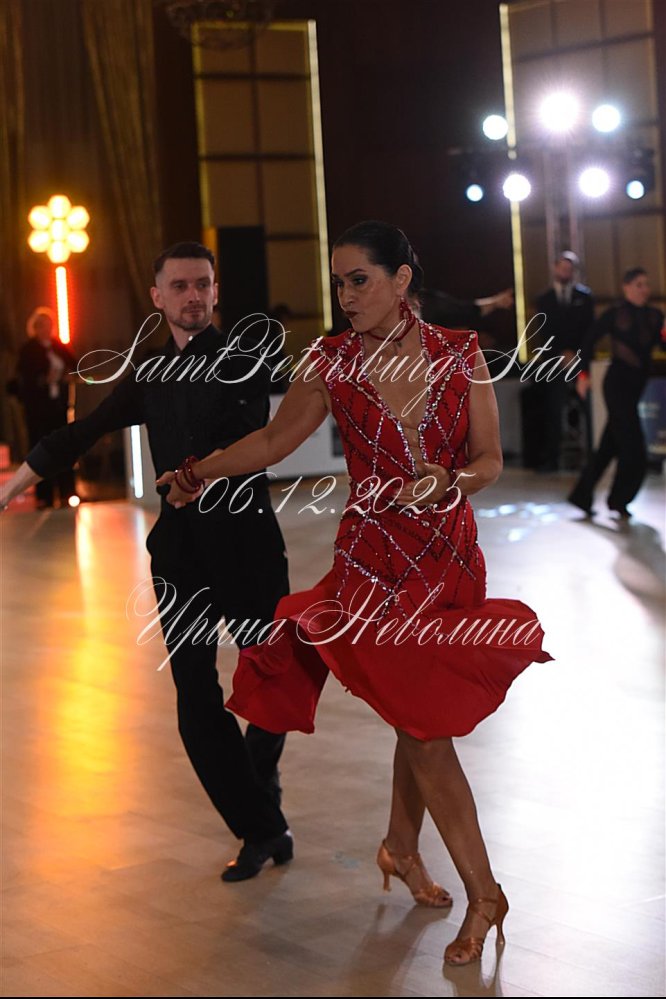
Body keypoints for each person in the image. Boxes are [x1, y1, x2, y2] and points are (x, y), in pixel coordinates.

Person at [158, 221, 552, 966]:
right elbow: (272, 442)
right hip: (372, 570)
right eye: (338, 282)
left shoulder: (460, 352)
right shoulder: (329, 361)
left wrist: (450, 481)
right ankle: (486, 893)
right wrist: (198, 471)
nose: (345, 295)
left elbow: (490, 459)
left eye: (359, 279)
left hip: (448, 563)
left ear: (402, 280)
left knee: (416, 716)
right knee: (425, 729)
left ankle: (401, 844)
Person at [0, 242, 293, 882]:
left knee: (274, 684)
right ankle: (262, 826)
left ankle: (261, 800)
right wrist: (10, 487)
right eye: (180, 286)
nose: (193, 296)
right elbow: (80, 434)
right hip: (182, 557)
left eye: (203, 284)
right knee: (195, 703)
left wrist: (195, 476)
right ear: (157, 297)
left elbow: (250, 438)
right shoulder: (151, 372)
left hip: (246, 548)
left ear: (215, 292)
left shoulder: (243, 361)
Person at [568, 267, 665, 518]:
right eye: (639, 284)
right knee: (635, 450)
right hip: (617, 386)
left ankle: (581, 496)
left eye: (646, 284)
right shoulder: (615, 314)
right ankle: (618, 500)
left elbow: (662, 344)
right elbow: (588, 342)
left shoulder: (655, 316)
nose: (644, 289)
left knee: (608, 447)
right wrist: (583, 375)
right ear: (626, 287)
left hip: (636, 388)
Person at [531, 252, 595, 472]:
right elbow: (542, 330)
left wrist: (576, 354)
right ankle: (552, 458)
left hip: (579, 360)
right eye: (562, 268)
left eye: (569, 269)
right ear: (555, 269)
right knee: (553, 408)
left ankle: (592, 455)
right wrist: (559, 353)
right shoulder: (544, 299)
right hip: (554, 362)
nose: (566, 272)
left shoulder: (585, 297)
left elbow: (589, 330)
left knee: (588, 407)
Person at [16, 307, 77, 507]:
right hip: (38, 410)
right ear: (35, 328)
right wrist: (43, 380)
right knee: (40, 449)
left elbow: (74, 364)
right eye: (42, 326)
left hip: (58, 407)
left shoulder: (58, 346)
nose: (47, 329)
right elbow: (23, 380)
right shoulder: (28, 350)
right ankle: (44, 496)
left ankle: (67, 492)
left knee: (63, 447)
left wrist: (66, 376)